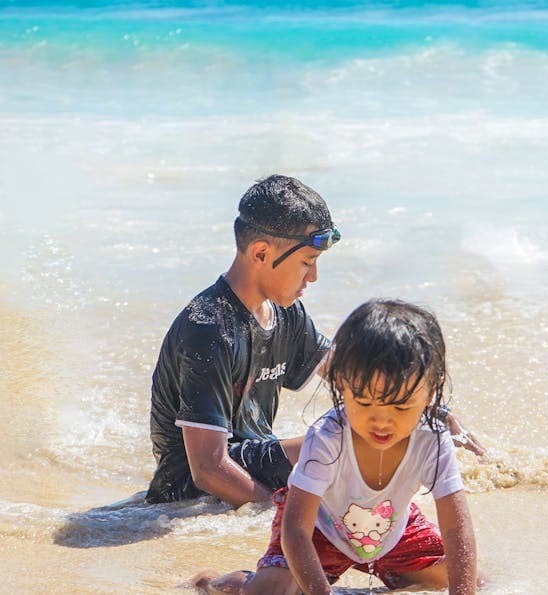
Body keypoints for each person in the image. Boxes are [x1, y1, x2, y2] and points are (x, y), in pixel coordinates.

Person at [145, 175, 484, 507]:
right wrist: (278, 512)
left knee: (374, 425)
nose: (313, 276)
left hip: (257, 463)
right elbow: (207, 470)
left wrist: (433, 414)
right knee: (340, 438)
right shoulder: (208, 329)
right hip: (189, 490)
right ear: (261, 253)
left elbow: (353, 376)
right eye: (307, 262)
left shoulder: (285, 313)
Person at [192, 299, 481, 594]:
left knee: (470, 579)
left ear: (432, 392)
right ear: (341, 383)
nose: (382, 422)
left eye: (400, 407)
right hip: (318, 529)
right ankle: (223, 582)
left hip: (389, 527)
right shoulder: (327, 437)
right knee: (270, 592)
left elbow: (457, 530)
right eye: (365, 403)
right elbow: (296, 531)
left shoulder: (432, 439)